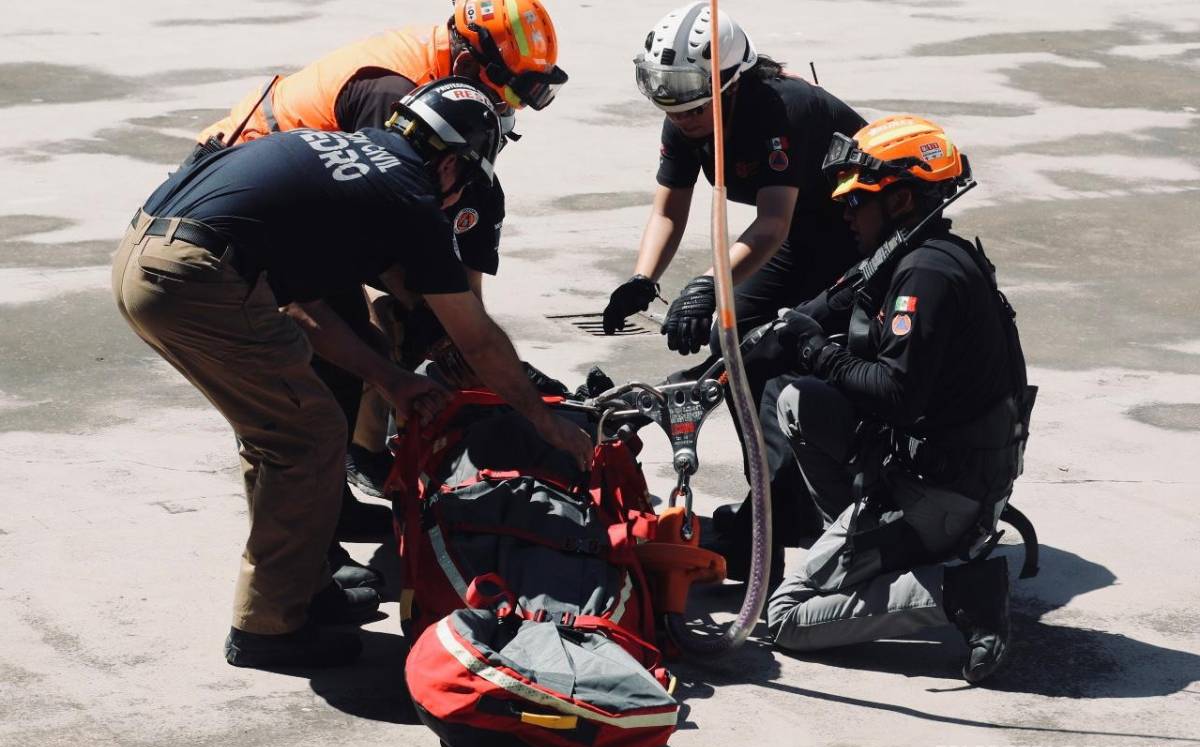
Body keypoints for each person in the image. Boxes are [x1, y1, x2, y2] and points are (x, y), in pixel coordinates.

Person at [112, 78, 593, 670]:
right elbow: (476, 338)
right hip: (196, 275)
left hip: (147, 254)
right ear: (450, 164)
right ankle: (269, 630)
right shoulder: (410, 197)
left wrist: (391, 380)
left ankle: (300, 586)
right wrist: (544, 421)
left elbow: (303, 306)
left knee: (279, 432)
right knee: (308, 437)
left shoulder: (349, 162)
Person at [191, 0, 568, 577]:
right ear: (468, 64)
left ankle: (334, 502)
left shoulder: (444, 93)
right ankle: (312, 552)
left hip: (303, 208)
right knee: (319, 378)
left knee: (381, 339)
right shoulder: (394, 98)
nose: (513, 107)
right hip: (244, 212)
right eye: (511, 90)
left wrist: (459, 335)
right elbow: (399, 234)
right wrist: (459, 340)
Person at [753, 116, 1034, 683]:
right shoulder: (917, 253)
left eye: (856, 201)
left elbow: (895, 395)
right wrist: (743, 339)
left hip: (942, 492)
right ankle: (870, 555)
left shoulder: (925, 275)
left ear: (901, 199)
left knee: (785, 617)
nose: (846, 214)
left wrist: (815, 351)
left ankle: (962, 590)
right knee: (797, 401)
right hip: (946, 473)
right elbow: (817, 312)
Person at [602, 2, 867, 572]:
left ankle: (776, 518)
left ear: (731, 81)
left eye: (695, 105)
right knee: (733, 341)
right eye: (670, 104)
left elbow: (770, 224)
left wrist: (705, 285)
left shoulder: (779, 111)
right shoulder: (686, 118)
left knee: (771, 353)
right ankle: (776, 508)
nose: (682, 117)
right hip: (804, 230)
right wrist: (643, 279)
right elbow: (668, 209)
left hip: (857, 238)